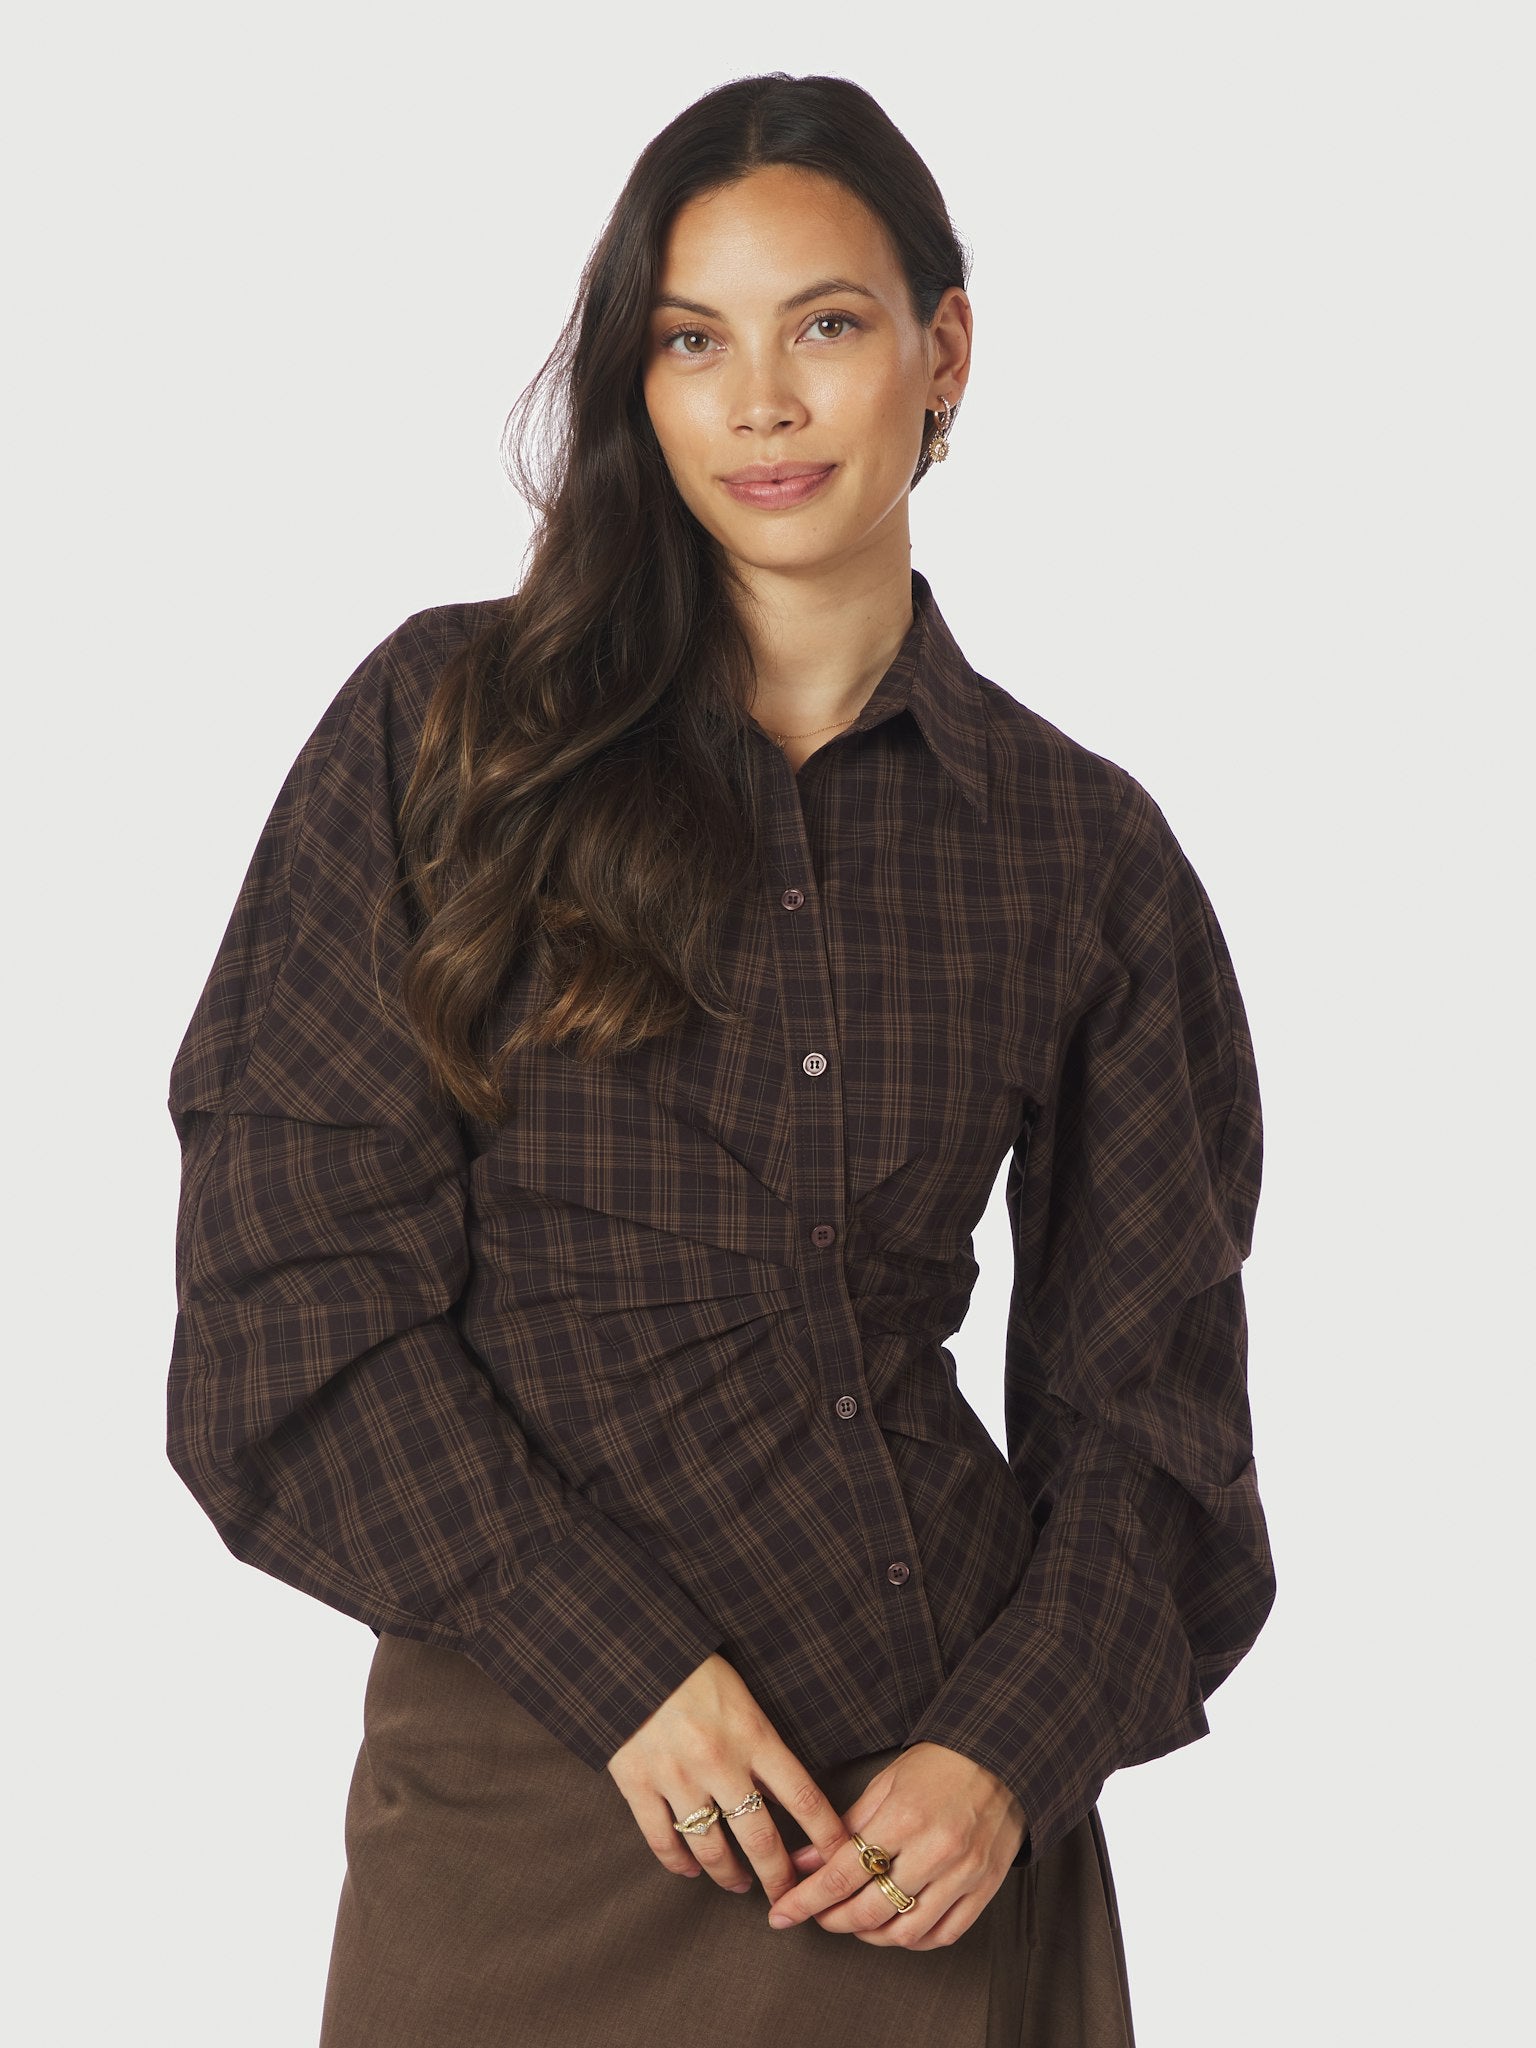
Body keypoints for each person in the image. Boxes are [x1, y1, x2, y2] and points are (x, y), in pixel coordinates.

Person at [165, 70, 1275, 2048]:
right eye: (693, 341)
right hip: (537, 1807)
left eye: (824, 325)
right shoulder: (446, 736)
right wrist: (622, 1672)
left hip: (933, 1854)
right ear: (638, 380)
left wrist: (1009, 1754)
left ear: (943, 353)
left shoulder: (1078, 851)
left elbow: (1153, 1420)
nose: (760, 402)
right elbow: (287, 1310)